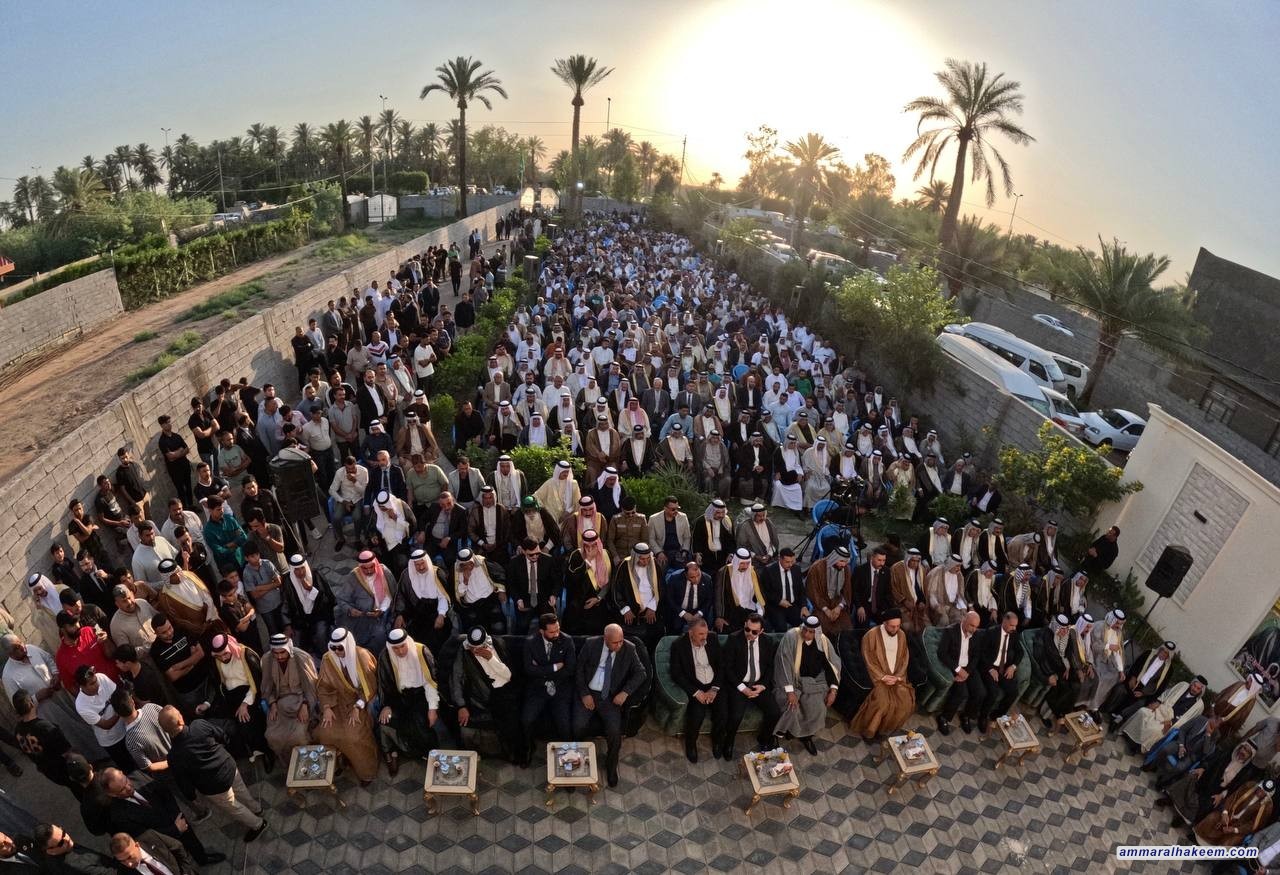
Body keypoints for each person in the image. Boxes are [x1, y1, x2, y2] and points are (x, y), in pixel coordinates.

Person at [160, 706, 267, 843]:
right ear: (180, 721)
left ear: (166, 730)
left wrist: (192, 797)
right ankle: (257, 809)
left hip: (214, 787)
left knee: (234, 807)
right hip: (229, 767)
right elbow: (221, 735)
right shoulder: (199, 725)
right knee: (242, 791)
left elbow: (184, 783)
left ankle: (258, 824)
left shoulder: (174, 757)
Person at [572, 624, 647, 788]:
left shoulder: (629, 648)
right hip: (589, 693)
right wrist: (584, 694)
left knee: (614, 732)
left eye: (621, 641)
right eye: (615, 642)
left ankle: (611, 765)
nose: (619, 645)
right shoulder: (591, 644)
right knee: (577, 726)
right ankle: (577, 760)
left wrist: (625, 692)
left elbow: (641, 672)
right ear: (605, 639)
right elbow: (578, 669)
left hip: (609, 697)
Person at [100, 769, 223, 867]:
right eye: (122, 789)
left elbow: (165, 793)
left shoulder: (138, 775)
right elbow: (146, 836)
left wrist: (177, 818)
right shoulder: (119, 816)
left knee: (191, 839)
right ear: (112, 794)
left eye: (126, 781)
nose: (128, 787)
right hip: (163, 839)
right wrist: (175, 829)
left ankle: (202, 858)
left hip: (175, 818)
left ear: (122, 773)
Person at [375, 629, 454, 776]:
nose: (400, 651)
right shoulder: (385, 657)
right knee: (385, 722)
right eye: (395, 648)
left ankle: (429, 755)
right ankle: (392, 754)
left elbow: (431, 682)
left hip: (421, 696)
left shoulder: (421, 651)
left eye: (402, 646)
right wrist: (387, 705)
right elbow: (385, 684)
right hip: (398, 698)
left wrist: (432, 708)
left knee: (421, 723)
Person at [313, 628, 380, 784]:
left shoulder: (362, 656)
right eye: (333, 648)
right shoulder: (328, 659)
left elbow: (371, 686)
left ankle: (366, 771)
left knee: (354, 736)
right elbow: (323, 687)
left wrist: (358, 707)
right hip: (336, 702)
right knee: (326, 732)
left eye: (340, 648)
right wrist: (327, 708)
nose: (337, 652)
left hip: (360, 702)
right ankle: (338, 763)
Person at [450, 627, 524, 764]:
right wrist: (461, 705)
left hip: (506, 690)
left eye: (478, 648)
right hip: (482, 694)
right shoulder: (464, 651)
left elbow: (508, 676)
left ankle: (514, 754)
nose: (475, 651)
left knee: (513, 722)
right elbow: (456, 678)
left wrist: (490, 658)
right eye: (472, 648)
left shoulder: (498, 644)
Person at [772, 615, 841, 755]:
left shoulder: (823, 641)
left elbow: (832, 664)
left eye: (811, 632)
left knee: (817, 708)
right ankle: (779, 734)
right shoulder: (791, 636)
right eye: (805, 630)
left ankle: (806, 736)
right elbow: (783, 663)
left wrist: (833, 690)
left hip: (813, 683)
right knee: (791, 706)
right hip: (790, 681)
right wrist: (790, 691)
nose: (806, 634)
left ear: (817, 632)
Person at [718, 613, 781, 761]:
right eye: (747, 629)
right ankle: (729, 742)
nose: (749, 633)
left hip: (758, 685)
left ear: (761, 631)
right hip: (739, 685)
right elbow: (727, 668)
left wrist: (763, 685)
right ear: (745, 625)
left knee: (774, 712)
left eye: (754, 631)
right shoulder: (734, 639)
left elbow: (770, 666)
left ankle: (764, 739)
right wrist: (742, 688)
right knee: (736, 716)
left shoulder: (768, 641)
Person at [201, 634, 271, 766]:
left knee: (246, 722)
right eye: (219, 656)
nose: (223, 658)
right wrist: (207, 703)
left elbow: (257, 683)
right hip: (229, 698)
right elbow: (215, 684)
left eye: (225, 654)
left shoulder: (246, 656)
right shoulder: (216, 661)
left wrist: (245, 703)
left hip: (250, 695)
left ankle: (266, 752)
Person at [850, 609, 916, 741]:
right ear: (884, 623)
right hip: (878, 678)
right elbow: (868, 660)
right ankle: (869, 732)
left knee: (905, 702)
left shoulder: (901, 635)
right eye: (892, 626)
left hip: (896, 677)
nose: (895, 629)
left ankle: (883, 730)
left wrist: (897, 677)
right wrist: (882, 677)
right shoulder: (871, 635)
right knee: (883, 703)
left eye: (898, 626)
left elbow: (904, 658)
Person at [519, 614, 577, 762]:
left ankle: (567, 755)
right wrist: (554, 667)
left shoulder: (567, 640)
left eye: (558, 629)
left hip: (560, 687)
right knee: (526, 720)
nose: (556, 634)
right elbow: (529, 669)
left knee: (564, 725)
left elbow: (570, 669)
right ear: (541, 631)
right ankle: (528, 748)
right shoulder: (530, 643)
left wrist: (541, 670)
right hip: (538, 688)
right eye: (552, 632)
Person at [669, 617, 724, 764]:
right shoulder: (678, 645)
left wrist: (714, 689)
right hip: (695, 686)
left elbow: (721, 665)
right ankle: (691, 745)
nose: (704, 637)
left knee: (722, 712)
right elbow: (676, 674)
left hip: (713, 685)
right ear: (690, 632)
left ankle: (717, 741)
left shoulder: (712, 638)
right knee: (696, 715)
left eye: (705, 633)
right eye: (700, 634)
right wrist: (696, 692)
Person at [260, 633, 318, 765]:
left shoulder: (301, 657)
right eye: (276, 653)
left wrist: (305, 704)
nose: (279, 656)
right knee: (272, 736)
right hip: (280, 705)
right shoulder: (267, 659)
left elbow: (311, 687)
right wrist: (272, 703)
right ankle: (290, 765)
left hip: (301, 703)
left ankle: (307, 764)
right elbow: (267, 687)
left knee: (299, 737)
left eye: (282, 652)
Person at [1123, 675, 1206, 754]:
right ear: (1191, 684)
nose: (1194, 689)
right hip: (1161, 710)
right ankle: (1129, 735)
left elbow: (1188, 722)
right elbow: (1167, 693)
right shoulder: (1182, 685)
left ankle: (1138, 747)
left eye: (1198, 688)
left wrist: (1171, 722)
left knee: (1155, 730)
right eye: (1194, 686)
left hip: (1171, 722)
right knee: (1143, 712)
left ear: (1201, 691)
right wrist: (1157, 702)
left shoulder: (1199, 706)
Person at [1102, 640, 1177, 727]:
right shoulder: (1148, 653)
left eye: (1166, 653)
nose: (1163, 653)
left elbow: (1160, 688)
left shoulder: (1169, 670)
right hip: (1134, 681)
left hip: (1146, 692)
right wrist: (1133, 678)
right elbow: (1136, 665)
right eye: (1162, 650)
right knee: (1120, 690)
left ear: (1169, 656)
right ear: (1160, 649)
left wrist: (1143, 693)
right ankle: (1105, 711)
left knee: (1139, 704)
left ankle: (1117, 720)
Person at [73, 667, 134, 771]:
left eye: (96, 680)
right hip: (112, 742)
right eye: (92, 684)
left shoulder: (101, 678)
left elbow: (117, 695)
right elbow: (106, 725)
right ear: (82, 686)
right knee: (129, 769)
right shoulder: (81, 705)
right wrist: (121, 709)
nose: (97, 684)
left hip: (127, 728)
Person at [973, 611, 1025, 732]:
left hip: (1004, 668)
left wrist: (1013, 666)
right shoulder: (991, 632)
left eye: (1015, 625)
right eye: (1012, 625)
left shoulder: (1013, 634)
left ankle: (996, 715)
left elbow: (1020, 652)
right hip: (989, 668)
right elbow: (982, 653)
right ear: (1004, 621)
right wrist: (990, 669)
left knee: (1013, 692)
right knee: (993, 692)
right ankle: (983, 716)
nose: (1014, 628)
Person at [608, 543, 664, 655]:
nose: (646, 562)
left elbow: (661, 587)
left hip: (651, 615)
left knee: (651, 647)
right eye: (642, 559)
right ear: (635, 557)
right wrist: (625, 609)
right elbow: (616, 591)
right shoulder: (624, 566)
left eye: (648, 558)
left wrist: (652, 607)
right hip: (631, 616)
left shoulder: (654, 564)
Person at [337, 551, 396, 654]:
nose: (369, 571)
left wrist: (381, 609)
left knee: (379, 635)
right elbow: (341, 598)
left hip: (384, 613)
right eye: (365, 568)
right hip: (361, 616)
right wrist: (350, 610)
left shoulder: (384, 572)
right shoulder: (354, 576)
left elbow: (391, 594)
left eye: (371, 567)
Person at [934, 611, 983, 736]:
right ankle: (944, 718)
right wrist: (958, 670)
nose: (974, 629)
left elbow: (976, 656)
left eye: (976, 627)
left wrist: (967, 672)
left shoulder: (976, 635)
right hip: (954, 666)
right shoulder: (950, 631)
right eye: (972, 625)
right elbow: (942, 653)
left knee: (980, 692)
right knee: (962, 693)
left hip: (968, 668)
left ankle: (966, 716)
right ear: (964, 620)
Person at [1194, 778, 1275, 848]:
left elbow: (1254, 825)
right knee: (1212, 817)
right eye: (1260, 789)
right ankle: (1197, 839)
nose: (1260, 792)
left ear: (1268, 795)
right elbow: (1232, 798)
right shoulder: (1249, 786)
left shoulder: (1267, 806)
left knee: (1230, 842)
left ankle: (1212, 854)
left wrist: (1235, 830)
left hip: (1241, 827)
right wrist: (1225, 813)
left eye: (1263, 792)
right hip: (1230, 814)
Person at [31, 823, 117, 875]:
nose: (67, 839)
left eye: (63, 832)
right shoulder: (76, 865)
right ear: (50, 851)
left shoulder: (64, 848)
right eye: (61, 843)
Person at [805, 546, 853, 637]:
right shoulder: (817, 568)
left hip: (837, 603)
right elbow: (813, 591)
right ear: (834, 558)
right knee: (823, 626)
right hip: (820, 605)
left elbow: (847, 591)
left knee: (846, 626)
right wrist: (826, 610)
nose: (843, 564)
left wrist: (839, 607)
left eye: (846, 562)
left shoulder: (846, 569)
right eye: (841, 561)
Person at [715, 548, 765, 634]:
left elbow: (759, 595)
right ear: (736, 561)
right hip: (731, 611)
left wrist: (760, 613)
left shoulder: (753, 572)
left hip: (750, 610)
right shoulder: (724, 572)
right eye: (742, 563)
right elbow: (718, 596)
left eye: (747, 563)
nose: (745, 566)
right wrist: (719, 616)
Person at [108, 831, 199, 875]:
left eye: (129, 857)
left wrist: (186, 871)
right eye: (122, 861)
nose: (129, 864)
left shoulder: (151, 837)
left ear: (137, 845)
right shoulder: (124, 873)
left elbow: (178, 846)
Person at [761, 548, 804, 633]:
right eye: (787, 562)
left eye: (792, 561)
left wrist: (804, 606)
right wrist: (779, 601)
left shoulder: (796, 569)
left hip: (792, 605)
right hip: (776, 606)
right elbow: (765, 592)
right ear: (780, 559)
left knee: (802, 624)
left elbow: (801, 590)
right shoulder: (769, 571)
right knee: (781, 628)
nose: (790, 565)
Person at [888, 548, 931, 634]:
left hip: (918, 607)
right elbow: (892, 588)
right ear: (908, 559)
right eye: (913, 561)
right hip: (902, 605)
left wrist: (922, 601)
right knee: (908, 627)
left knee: (928, 628)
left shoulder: (921, 570)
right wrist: (904, 601)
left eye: (917, 561)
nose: (915, 564)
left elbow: (923, 589)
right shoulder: (896, 569)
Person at [850, 547, 893, 628]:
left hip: (879, 607)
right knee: (863, 627)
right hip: (864, 605)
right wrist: (859, 606)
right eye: (879, 560)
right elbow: (854, 591)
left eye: (884, 560)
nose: (882, 563)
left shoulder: (886, 571)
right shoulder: (860, 570)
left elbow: (888, 593)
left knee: (887, 626)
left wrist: (885, 610)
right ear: (872, 558)